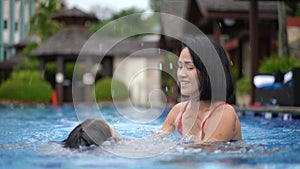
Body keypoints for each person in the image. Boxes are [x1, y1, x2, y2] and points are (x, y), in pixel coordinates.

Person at [161, 37, 242, 142]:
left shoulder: (223, 113)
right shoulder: (178, 111)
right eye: (180, 67)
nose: (181, 74)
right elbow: (155, 142)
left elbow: (206, 154)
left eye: (190, 68)